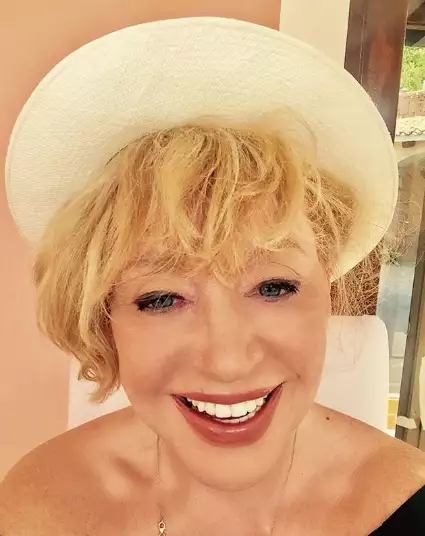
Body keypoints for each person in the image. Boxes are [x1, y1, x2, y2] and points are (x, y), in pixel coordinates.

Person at [1, 17, 424, 536]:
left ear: (328, 289)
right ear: (103, 319)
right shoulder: (40, 509)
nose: (226, 362)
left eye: (273, 287)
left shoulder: (405, 505)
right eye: (162, 298)